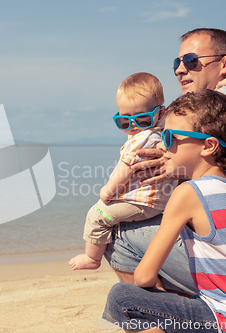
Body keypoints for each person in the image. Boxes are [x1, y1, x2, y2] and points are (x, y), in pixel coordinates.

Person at [104, 28, 226, 300]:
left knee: (117, 236)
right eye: (177, 63)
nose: (180, 69)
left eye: (191, 60)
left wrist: (182, 168)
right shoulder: (208, 108)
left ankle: (180, 320)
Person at [103, 77, 226, 332]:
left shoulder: (188, 194)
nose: (163, 145)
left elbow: (143, 276)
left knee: (122, 297)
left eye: (170, 137)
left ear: (208, 146)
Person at [69, 73, 177, 270]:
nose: (133, 125)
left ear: (160, 114)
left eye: (142, 119)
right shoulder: (161, 133)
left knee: (97, 214)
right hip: (157, 202)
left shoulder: (140, 139)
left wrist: (108, 190)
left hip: (142, 202)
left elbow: (124, 169)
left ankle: (92, 258)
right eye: (124, 121)